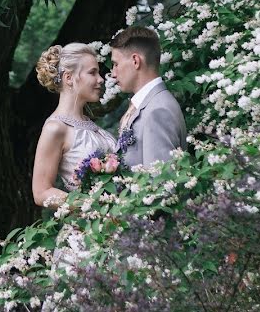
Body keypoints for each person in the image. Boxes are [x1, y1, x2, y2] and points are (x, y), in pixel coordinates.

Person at [31, 43, 116, 208]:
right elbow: (41, 192)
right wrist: (92, 206)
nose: (101, 79)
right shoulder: (55, 128)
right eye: (92, 72)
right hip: (93, 224)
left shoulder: (91, 125)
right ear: (68, 78)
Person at [109, 26, 187, 167]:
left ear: (135, 61)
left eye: (116, 64)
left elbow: (160, 181)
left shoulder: (158, 110)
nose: (113, 74)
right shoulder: (148, 105)